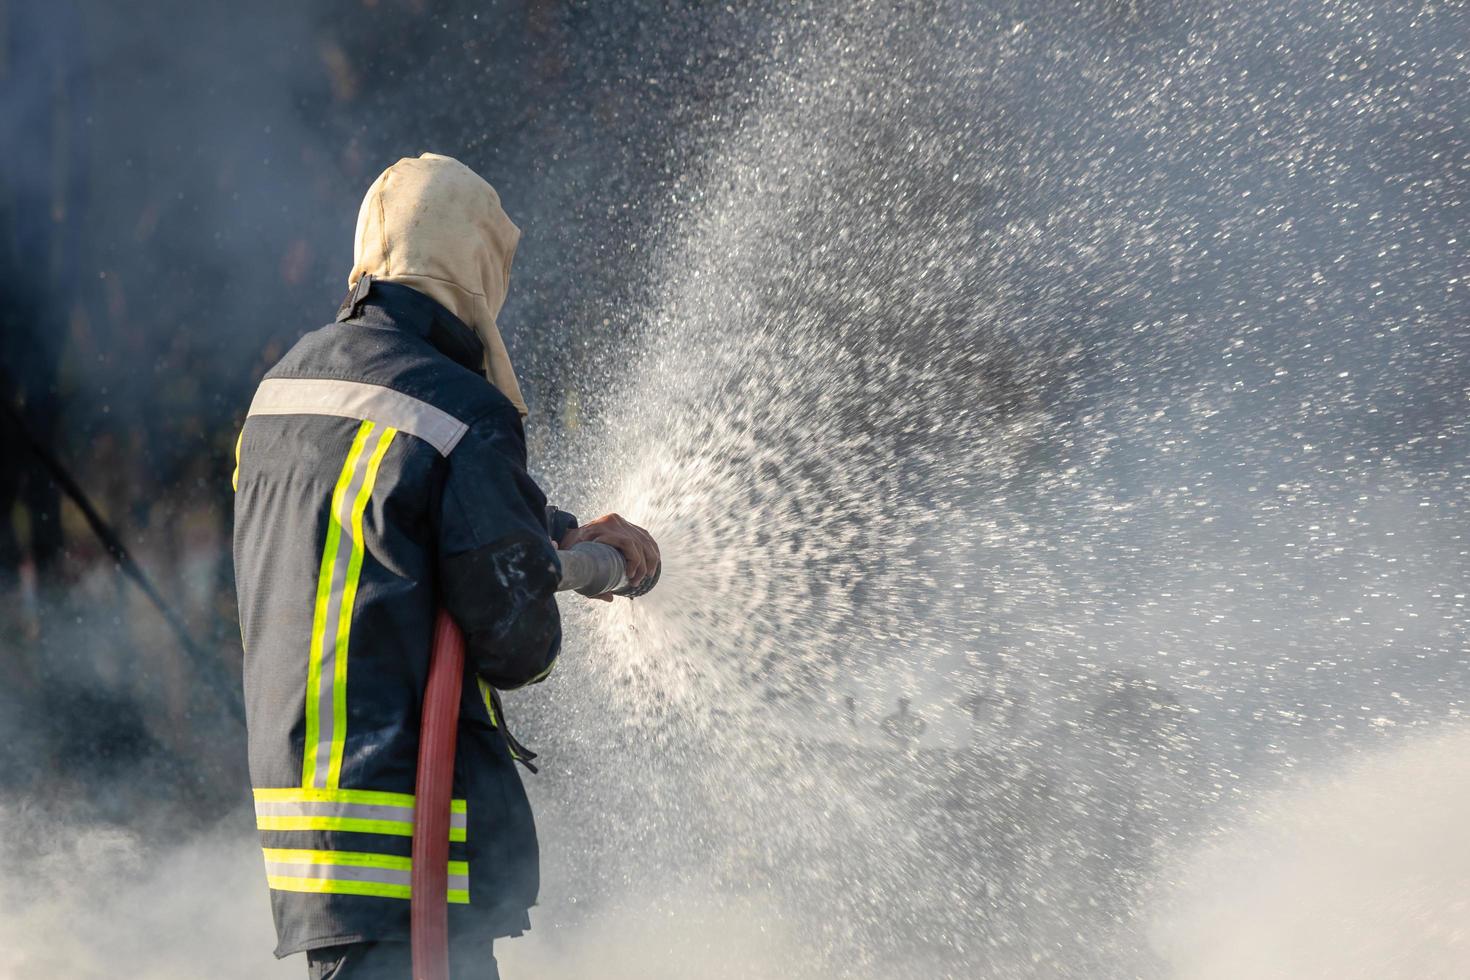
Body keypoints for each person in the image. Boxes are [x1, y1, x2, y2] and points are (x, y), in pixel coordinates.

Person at [233, 153, 659, 978]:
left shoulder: (281, 396)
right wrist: (549, 569)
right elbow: (514, 644)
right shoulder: (462, 407)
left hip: (309, 841)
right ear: (476, 268)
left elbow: (386, 520)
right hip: (412, 840)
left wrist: (551, 532)